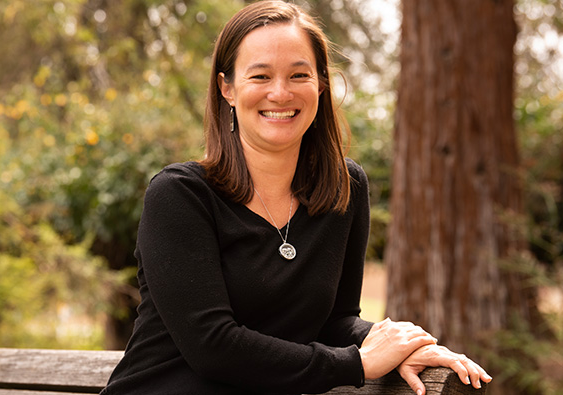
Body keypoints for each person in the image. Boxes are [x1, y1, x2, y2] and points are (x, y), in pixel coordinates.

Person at [101, 1, 491, 394]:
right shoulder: (181, 195)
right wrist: (358, 362)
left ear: (320, 83)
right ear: (227, 88)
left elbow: (335, 322)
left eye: (298, 74)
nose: (280, 92)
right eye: (260, 76)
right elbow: (212, 345)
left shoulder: (345, 187)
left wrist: (402, 345)